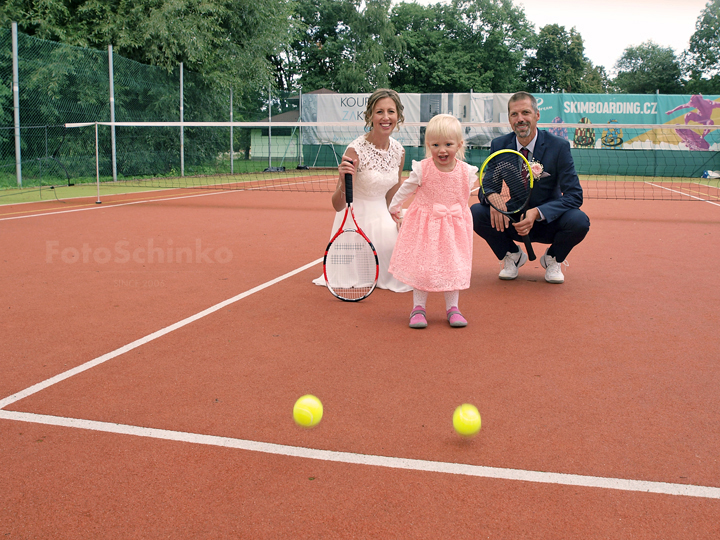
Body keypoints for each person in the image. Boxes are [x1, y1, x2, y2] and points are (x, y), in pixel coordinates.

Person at [470, 92, 590, 284]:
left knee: (579, 221)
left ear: (537, 115)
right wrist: (494, 197)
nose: (520, 119)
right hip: (515, 219)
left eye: (525, 112)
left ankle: (553, 258)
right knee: (476, 213)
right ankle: (512, 255)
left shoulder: (559, 146)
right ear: (509, 119)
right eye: (514, 114)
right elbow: (487, 187)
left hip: (549, 220)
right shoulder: (499, 145)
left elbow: (574, 196)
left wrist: (539, 212)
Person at [313, 89, 412, 293]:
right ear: (370, 116)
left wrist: (398, 217)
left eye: (391, 112)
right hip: (355, 219)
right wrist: (342, 181)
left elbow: (392, 195)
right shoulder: (354, 150)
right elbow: (338, 205)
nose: (386, 117)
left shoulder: (399, 151)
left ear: (398, 116)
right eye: (379, 112)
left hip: (383, 215)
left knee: (413, 240)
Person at [388, 114, 477, 329]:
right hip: (426, 226)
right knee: (424, 266)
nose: (442, 150)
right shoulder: (422, 169)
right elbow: (405, 189)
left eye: (448, 144)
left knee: (452, 265)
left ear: (459, 145)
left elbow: (469, 194)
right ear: (428, 145)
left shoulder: (467, 172)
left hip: (454, 228)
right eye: (435, 144)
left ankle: (453, 308)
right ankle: (418, 308)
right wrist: (394, 206)